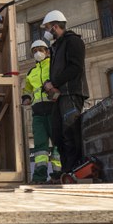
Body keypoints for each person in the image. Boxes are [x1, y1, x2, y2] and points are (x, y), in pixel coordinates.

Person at [41, 10, 89, 175]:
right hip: (60, 96)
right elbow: (58, 71)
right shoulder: (56, 47)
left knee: (70, 133)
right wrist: (48, 85)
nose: (46, 32)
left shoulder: (73, 41)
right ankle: (66, 169)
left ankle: (73, 169)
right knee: (58, 134)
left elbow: (75, 67)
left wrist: (54, 83)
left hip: (71, 94)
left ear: (55, 26)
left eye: (47, 28)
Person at [22, 40, 61, 184]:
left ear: (46, 51)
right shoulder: (31, 72)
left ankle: (59, 175)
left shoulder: (53, 65)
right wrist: (26, 97)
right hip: (37, 113)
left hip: (53, 109)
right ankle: (39, 177)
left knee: (58, 143)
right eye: (34, 50)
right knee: (40, 147)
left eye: (40, 49)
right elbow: (27, 89)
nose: (37, 53)